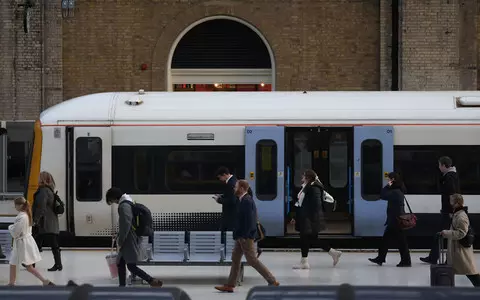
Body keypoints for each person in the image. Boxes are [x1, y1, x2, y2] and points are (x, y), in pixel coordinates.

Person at [215, 180, 279, 292]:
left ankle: (272, 281)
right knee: (235, 258)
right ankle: (230, 285)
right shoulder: (242, 200)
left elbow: (250, 221)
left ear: (242, 188)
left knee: (252, 261)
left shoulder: (247, 201)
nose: (234, 189)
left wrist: (245, 236)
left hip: (245, 237)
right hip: (240, 236)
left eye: (236, 187)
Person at [105, 187, 163, 288]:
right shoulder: (129, 201)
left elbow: (126, 224)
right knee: (121, 262)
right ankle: (123, 285)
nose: (114, 203)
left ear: (114, 198)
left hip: (129, 239)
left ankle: (151, 280)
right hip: (130, 238)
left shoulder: (124, 206)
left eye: (112, 200)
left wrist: (121, 239)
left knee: (130, 265)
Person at [290, 169, 342, 269]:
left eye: (303, 176)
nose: (302, 178)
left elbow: (314, 205)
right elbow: (302, 204)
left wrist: (304, 217)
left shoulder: (314, 188)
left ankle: (304, 262)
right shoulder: (307, 187)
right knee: (312, 239)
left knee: (305, 239)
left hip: (310, 219)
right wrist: (296, 217)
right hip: (308, 218)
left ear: (308, 178)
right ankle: (333, 253)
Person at [420, 156, 460, 264]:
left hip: (449, 212)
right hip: (449, 211)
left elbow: (452, 194)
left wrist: (452, 211)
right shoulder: (451, 176)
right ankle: (436, 258)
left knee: (442, 234)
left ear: (443, 165)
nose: (438, 167)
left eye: (439, 165)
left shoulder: (450, 177)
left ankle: (437, 258)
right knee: (445, 235)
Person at [8, 197, 54, 286]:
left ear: (20, 206)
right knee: (19, 264)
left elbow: (16, 232)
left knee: (25, 266)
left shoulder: (22, 217)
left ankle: (45, 281)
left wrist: (10, 227)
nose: (15, 207)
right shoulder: (27, 215)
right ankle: (12, 283)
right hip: (24, 242)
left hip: (21, 244)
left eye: (15, 205)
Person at [368, 172, 411, 267]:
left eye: (389, 179)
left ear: (393, 180)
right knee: (388, 240)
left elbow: (383, 195)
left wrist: (387, 186)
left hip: (396, 220)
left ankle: (405, 261)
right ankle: (381, 258)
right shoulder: (399, 189)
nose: (388, 181)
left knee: (401, 242)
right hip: (395, 219)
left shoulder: (395, 192)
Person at [440, 194, 480, 287]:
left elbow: (461, 233)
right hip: (456, 249)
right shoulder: (457, 214)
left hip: (459, 250)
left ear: (457, 203)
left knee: (470, 272)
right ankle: (445, 289)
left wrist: (446, 233)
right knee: (450, 269)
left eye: (451, 201)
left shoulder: (461, 216)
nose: (450, 203)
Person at [32, 171, 62, 271]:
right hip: (51, 222)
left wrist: (35, 220)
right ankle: (58, 264)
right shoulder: (50, 190)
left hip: (44, 223)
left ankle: (31, 264)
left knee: (36, 243)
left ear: (42, 179)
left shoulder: (43, 191)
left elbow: (41, 207)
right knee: (42, 243)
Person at [214, 167, 238, 232]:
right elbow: (230, 195)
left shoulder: (230, 184)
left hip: (230, 215)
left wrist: (219, 200)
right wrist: (222, 196)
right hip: (232, 215)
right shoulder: (234, 180)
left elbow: (232, 200)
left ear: (224, 175)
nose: (220, 179)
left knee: (227, 235)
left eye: (220, 177)